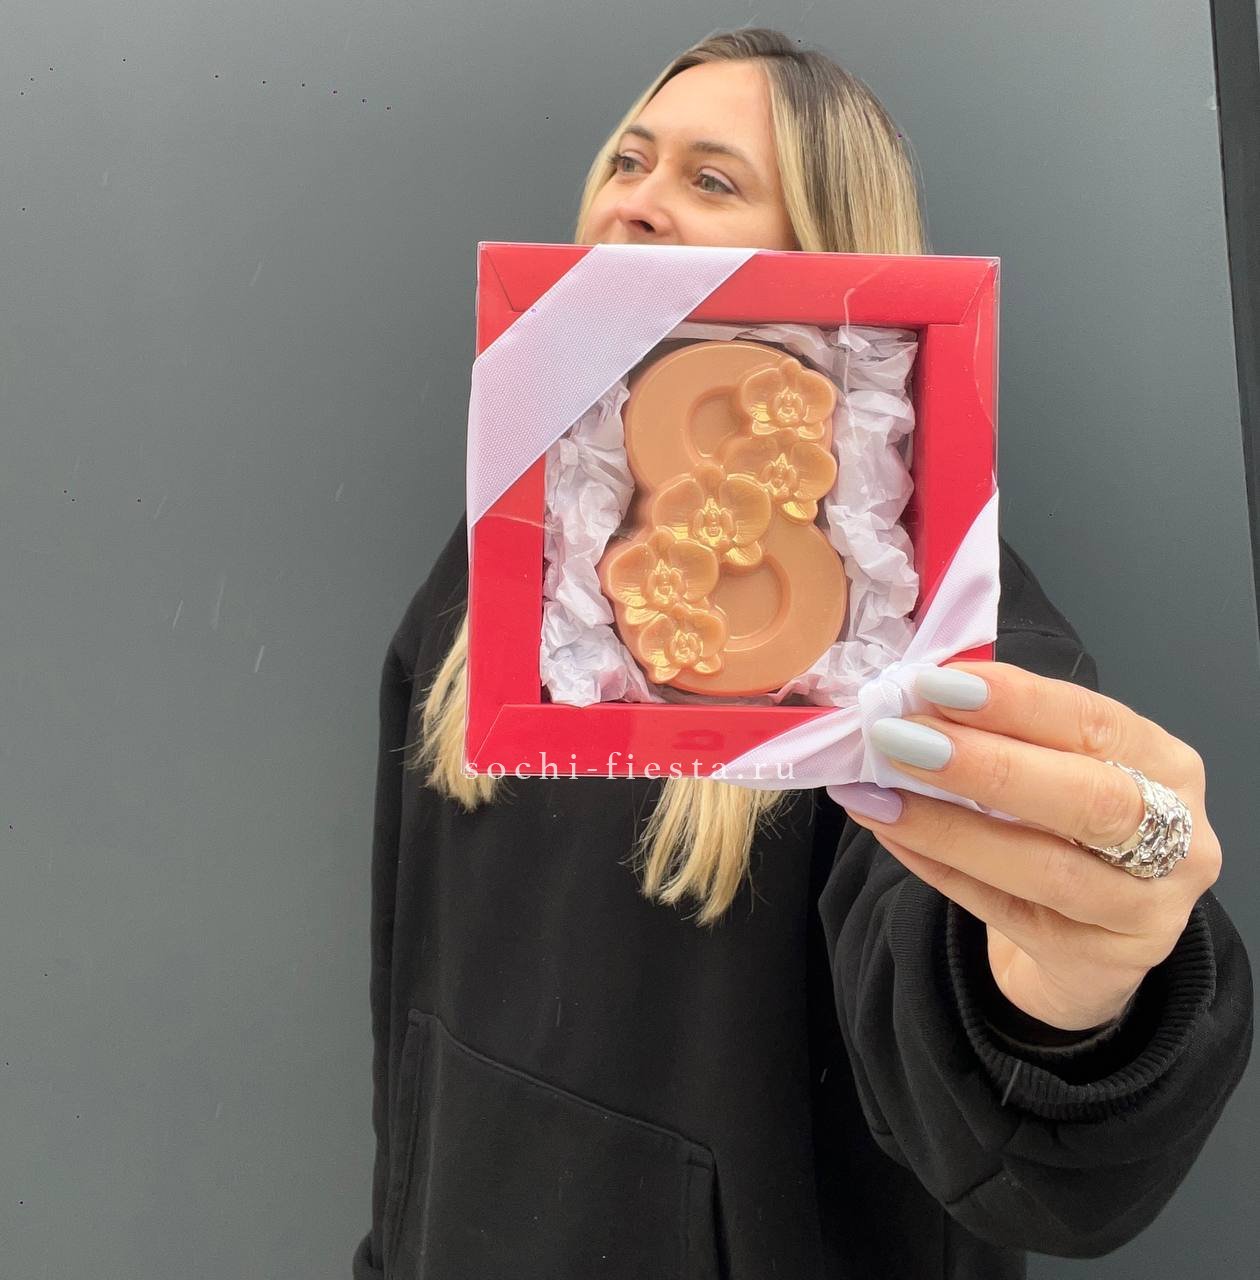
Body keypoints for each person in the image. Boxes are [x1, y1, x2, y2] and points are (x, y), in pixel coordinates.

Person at [351, 27, 1253, 1280]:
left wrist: (1076, 997)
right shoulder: (502, 558)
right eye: (629, 160)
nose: (638, 200)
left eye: (711, 178)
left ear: (832, 258)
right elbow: (410, 981)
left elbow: (1005, 1100)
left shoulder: (920, 632)